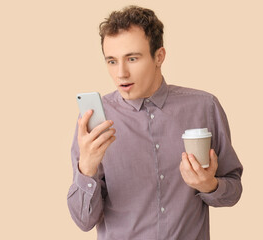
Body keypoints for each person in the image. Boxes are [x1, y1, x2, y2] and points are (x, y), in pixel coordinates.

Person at [67, 5, 243, 240]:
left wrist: (209, 185)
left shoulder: (204, 107)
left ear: (159, 56)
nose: (121, 73)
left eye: (132, 58)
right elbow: (83, 221)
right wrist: (86, 169)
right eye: (111, 61)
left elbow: (233, 191)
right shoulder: (92, 122)